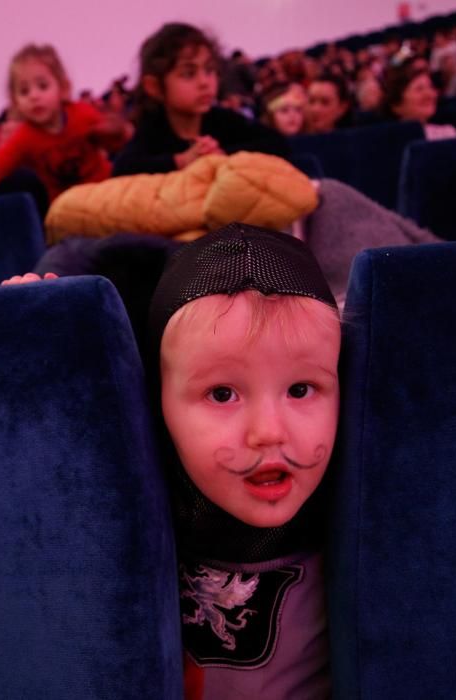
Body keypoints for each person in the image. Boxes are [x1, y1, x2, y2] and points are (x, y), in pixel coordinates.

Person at [149, 223, 338, 699]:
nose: (269, 432)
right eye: (221, 393)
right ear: (156, 402)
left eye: (301, 389)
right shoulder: (133, 488)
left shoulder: (363, 495)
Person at [0, 43, 124, 206]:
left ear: (63, 88)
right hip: (67, 207)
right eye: (24, 91)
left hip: (106, 189)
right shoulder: (24, 137)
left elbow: (117, 136)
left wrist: (118, 131)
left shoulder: (82, 113)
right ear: (15, 101)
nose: (34, 96)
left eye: (42, 86)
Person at [113, 23, 287, 176]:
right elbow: (123, 170)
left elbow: (277, 143)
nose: (204, 82)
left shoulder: (222, 120)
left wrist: (221, 155)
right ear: (155, 87)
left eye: (210, 70)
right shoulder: (153, 130)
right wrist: (181, 161)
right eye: (189, 74)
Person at [382, 64, 456, 140]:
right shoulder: (383, 141)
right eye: (419, 89)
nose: (430, 94)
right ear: (396, 105)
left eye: (431, 87)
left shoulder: (447, 133)